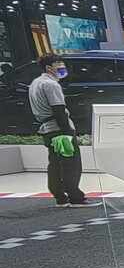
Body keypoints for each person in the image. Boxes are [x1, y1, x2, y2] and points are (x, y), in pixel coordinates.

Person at [28, 55, 97, 208]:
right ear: (49, 68)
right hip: (59, 130)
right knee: (71, 164)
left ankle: (60, 196)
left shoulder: (35, 83)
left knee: (55, 164)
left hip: (48, 130)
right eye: (58, 64)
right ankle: (75, 198)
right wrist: (66, 131)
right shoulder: (51, 85)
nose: (62, 67)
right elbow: (58, 109)